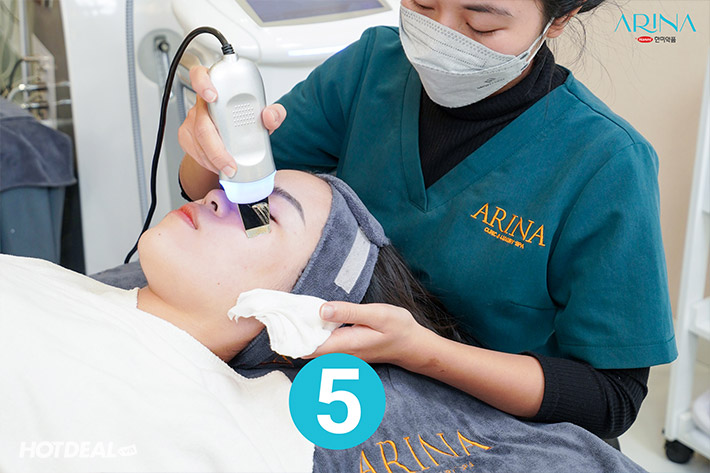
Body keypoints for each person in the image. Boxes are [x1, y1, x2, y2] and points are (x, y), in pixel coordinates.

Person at [177, 0, 677, 440]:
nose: (441, 36)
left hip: (499, 433)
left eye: (481, 23)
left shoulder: (606, 162)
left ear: (560, 18)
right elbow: (221, 194)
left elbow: (612, 398)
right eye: (423, 4)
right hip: (347, 396)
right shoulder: (371, 68)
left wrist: (423, 352)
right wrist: (210, 143)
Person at [0, 171, 645, 473]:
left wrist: (422, 351)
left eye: (265, 214)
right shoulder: (43, 281)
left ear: (295, 316)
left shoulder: (236, 435)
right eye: (235, 188)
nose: (219, 196)